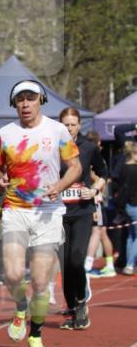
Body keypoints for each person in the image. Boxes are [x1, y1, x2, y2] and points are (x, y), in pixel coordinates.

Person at [0, 80, 81, 347]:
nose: (26, 104)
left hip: (48, 212)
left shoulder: (57, 131)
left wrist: (60, 186)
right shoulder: (4, 134)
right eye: (21, 99)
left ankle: (36, 336)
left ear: (40, 100)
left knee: (41, 282)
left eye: (31, 98)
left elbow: (75, 167)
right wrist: (0, 178)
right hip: (15, 209)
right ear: (14, 104)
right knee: (13, 273)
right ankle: (21, 307)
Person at [58, 107, 108, 330]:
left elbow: (103, 173)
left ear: (79, 125)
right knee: (66, 264)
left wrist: (95, 190)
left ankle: (81, 303)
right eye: (65, 125)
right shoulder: (53, 146)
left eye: (72, 124)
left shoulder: (88, 147)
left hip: (82, 212)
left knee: (77, 259)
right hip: (59, 213)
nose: (69, 128)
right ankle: (72, 308)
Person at [85, 130, 116, 279]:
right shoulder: (88, 155)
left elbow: (100, 180)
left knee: (97, 231)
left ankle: (88, 265)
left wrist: (89, 173)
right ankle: (109, 265)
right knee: (102, 233)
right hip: (91, 199)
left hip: (96, 199)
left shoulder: (96, 159)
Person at [116, 141, 137, 275]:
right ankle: (130, 264)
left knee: (131, 235)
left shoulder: (123, 168)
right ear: (134, 154)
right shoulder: (134, 169)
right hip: (134, 204)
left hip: (126, 206)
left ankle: (128, 264)